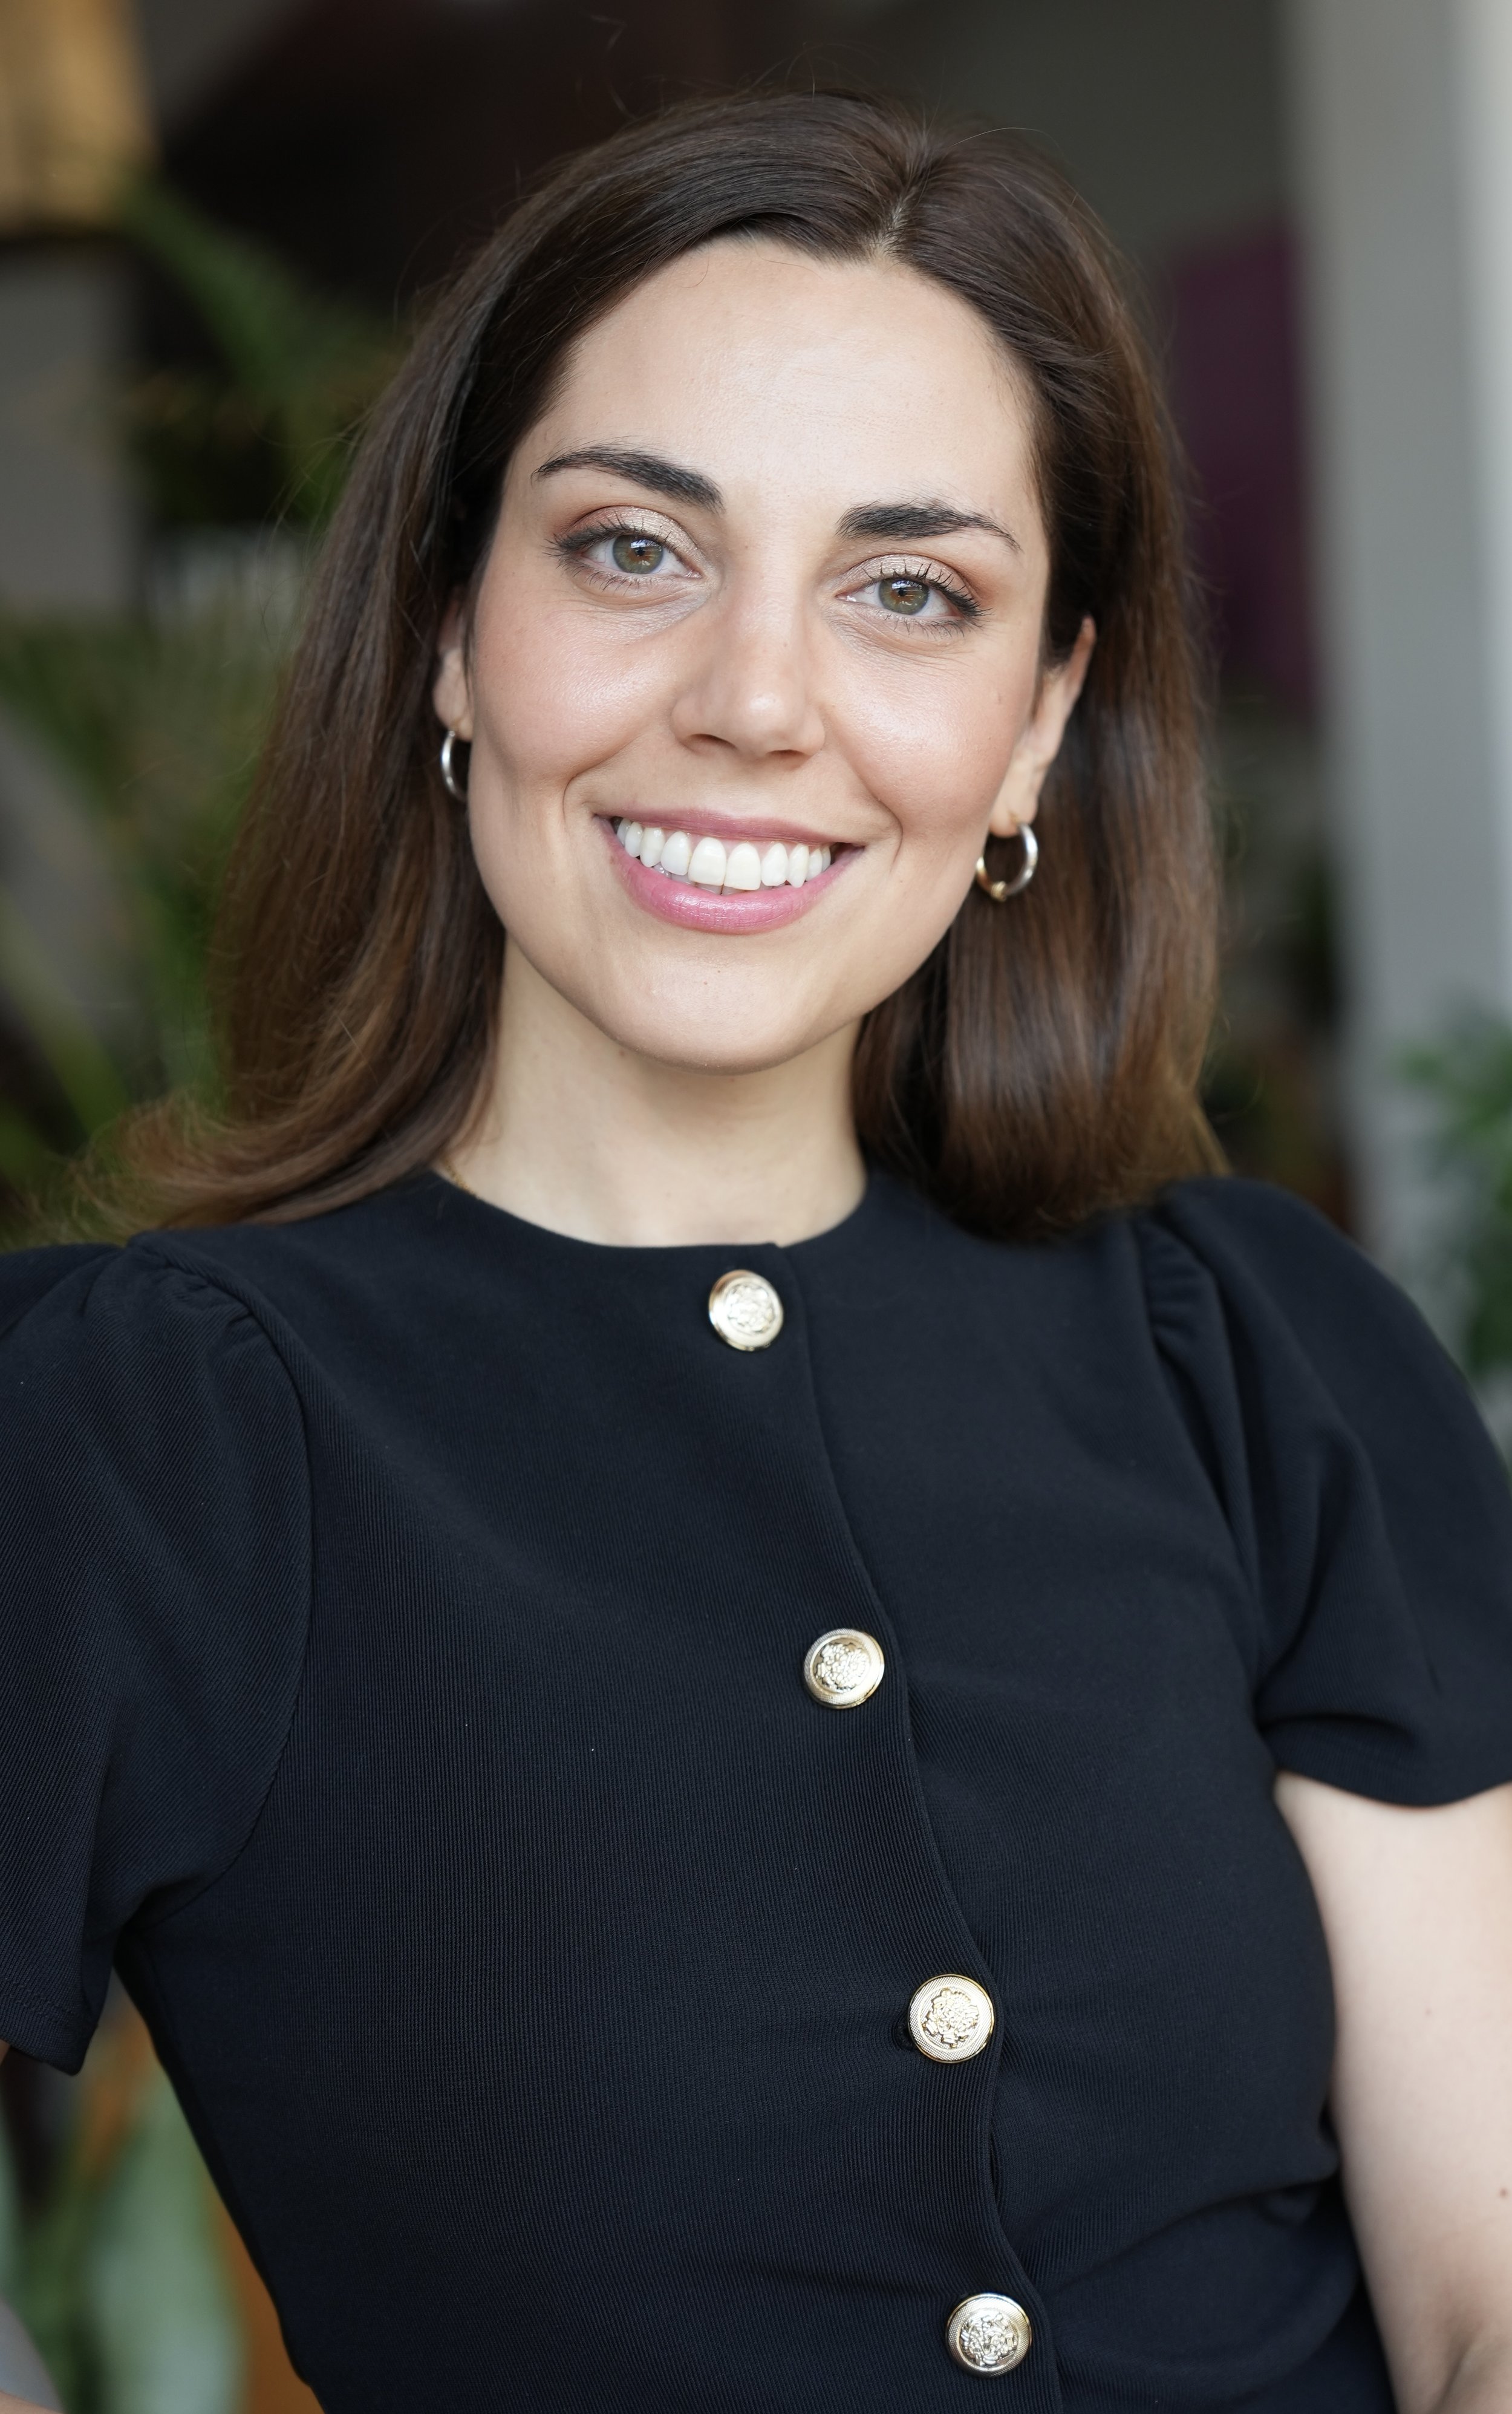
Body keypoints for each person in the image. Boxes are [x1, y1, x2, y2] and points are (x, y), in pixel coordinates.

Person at [1, 86, 1510, 2414]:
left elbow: (1478, 2294)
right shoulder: (140, 1423)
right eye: (632, 550)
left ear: (1037, 731)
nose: (756, 702)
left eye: (910, 592)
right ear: (442, 632)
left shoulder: (1259, 1354)